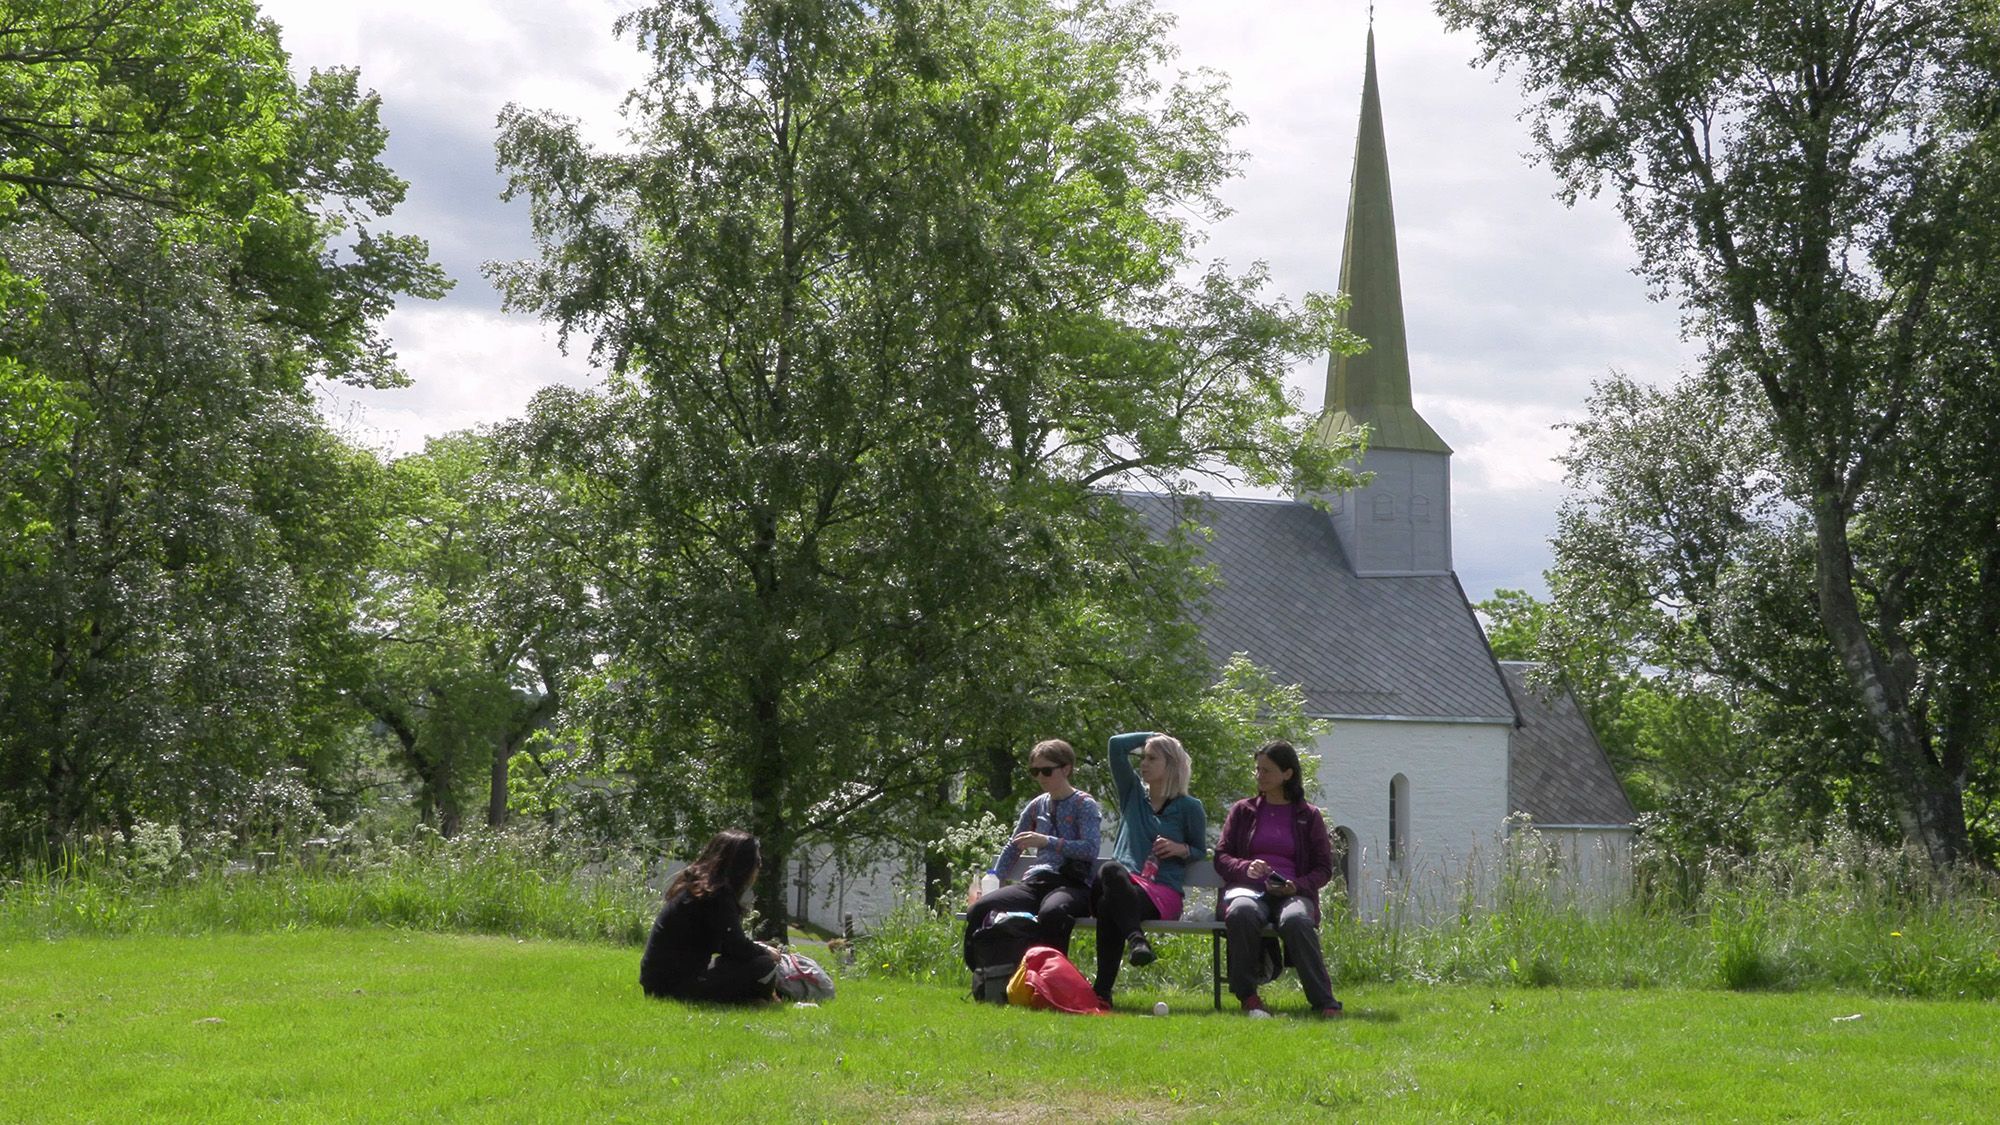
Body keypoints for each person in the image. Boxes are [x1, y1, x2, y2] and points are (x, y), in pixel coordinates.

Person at [1212, 740, 1343, 1018]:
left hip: (1293, 892)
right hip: (1249, 890)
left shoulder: (1309, 816)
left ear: (1287, 774)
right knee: (1241, 912)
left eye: (1267, 770)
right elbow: (1221, 857)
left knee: (1295, 919)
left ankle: (1325, 1001)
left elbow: (1323, 868)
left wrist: (1298, 885)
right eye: (1257, 769)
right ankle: (1248, 996)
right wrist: (1246, 867)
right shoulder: (1242, 811)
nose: (1260, 776)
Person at [961, 739, 1103, 969]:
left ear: (1066, 769)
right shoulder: (1037, 805)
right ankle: (984, 973)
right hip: (1036, 882)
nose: (1040, 778)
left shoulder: (1084, 804)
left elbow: (1090, 849)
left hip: (1071, 885)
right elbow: (1013, 846)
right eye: (1034, 772)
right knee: (980, 908)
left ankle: (1051, 977)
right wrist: (995, 878)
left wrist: (1047, 841)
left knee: (1052, 913)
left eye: (1046, 771)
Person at [1090, 731, 1206, 1004]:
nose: (1143, 763)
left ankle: (1102, 994)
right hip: (1123, 882)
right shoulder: (1132, 794)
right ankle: (1136, 940)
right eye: (1143, 757)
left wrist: (1182, 849)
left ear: (1171, 764)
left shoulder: (1190, 808)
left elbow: (1200, 850)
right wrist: (1154, 736)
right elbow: (1115, 745)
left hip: (1160, 892)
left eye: (1152, 758)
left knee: (1110, 906)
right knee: (1110, 871)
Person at [639, 828, 778, 1003]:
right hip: (676, 988)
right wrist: (764, 951)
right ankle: (753, 998)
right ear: (743, 865)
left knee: (741, 963)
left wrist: (754, 947)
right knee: (764, 966)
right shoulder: (718, 895)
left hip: (658, 983)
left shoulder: (696, 887)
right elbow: (737, 948)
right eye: (757, 862)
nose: (758, 869)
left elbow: (727, 943)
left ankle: (751, 997)